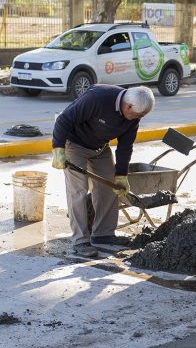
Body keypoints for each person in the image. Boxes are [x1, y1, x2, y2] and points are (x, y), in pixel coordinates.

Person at [50, 85, 155, 258]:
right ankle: (80, 240)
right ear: (128, 106)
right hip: (74, 144)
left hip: (100, 147)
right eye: (137, 115)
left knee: (109, 187)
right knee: (78, 191)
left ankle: (103, 234)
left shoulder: (133, 116)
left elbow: (125, 146)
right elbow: (64, 119)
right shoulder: (98, 98)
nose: (138, 119)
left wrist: (121, 175)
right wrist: (58, 149)